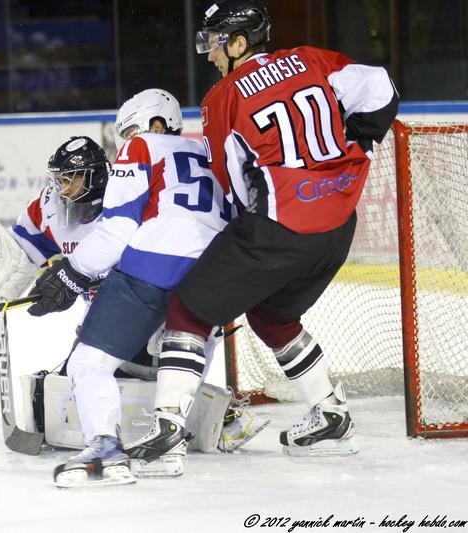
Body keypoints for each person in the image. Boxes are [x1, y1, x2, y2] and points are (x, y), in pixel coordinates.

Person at [134, 0, 399, 458]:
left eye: (215, 43)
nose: (209, 54)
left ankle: (168, 427)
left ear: (239, 43)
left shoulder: (223, 97)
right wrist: (360, 140)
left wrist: (245, 235)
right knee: (271, 316)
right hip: (337, 226)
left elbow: (232, 181)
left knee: (189, 311)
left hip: (279, 226)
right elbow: (381, 85)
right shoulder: (311, 59)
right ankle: (330, 414)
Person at [25, 88, 234, 487]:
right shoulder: (211, 154)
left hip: (153, 267)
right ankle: (167, 448)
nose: (127, 142)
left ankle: (105, 450)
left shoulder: (141, 148)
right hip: (215, 272)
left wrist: (71, 272)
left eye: (132, 131)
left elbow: (117, 229)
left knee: (88, 362)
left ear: (157, 123)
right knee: (184, 346)